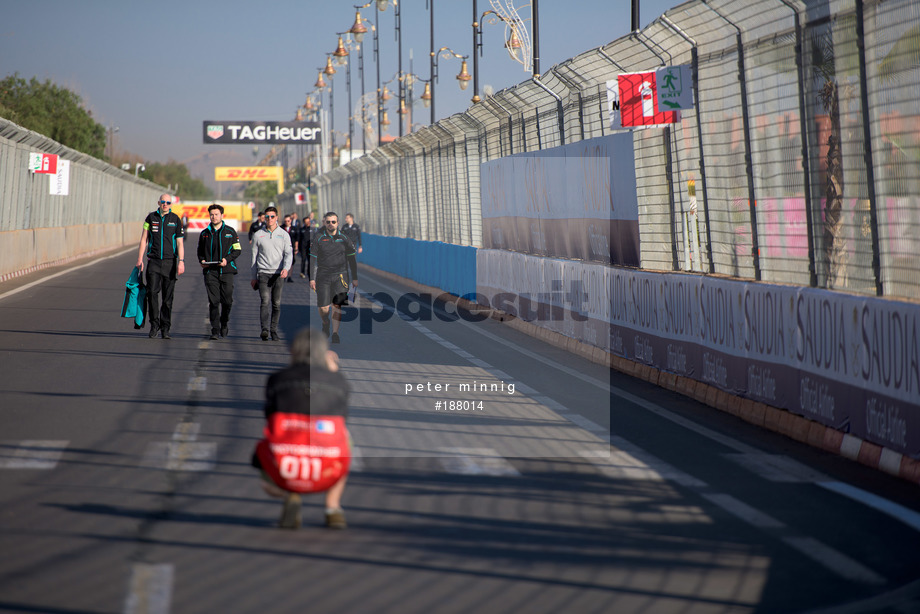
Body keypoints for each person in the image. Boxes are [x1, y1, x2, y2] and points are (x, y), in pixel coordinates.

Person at [252, 328, 351, 529]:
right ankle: (332, 508)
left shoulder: (277, 379)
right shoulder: (338, 382)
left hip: (285, 463)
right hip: (325, 468)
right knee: (344, 437)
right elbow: (342, 419)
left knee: (276, 440)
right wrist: (333, 371)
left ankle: (290, 493)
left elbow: (269, 417)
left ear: (293, 351)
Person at [136, 194, 185, 339]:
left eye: (168, 202)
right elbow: (144, 239)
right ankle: (154, 325)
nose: (165, 204)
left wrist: (181, 261)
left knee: (167, 298)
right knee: (152, 293)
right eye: (163, 202)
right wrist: (140, 258)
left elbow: (180, 243)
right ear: (159, 203)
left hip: (170, 263)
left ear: (171, 204)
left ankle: (165, 327)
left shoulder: (176, 219)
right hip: (154, 262)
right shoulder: (150, 218)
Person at [310, 212, 358, 344]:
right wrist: (311, 278)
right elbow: (312, 258)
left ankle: (335, 333)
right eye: (328, 222)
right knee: (324, 308)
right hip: (323, 275)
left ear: (337, 223)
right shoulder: (319, 238)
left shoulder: (344, 238)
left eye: (333, 222)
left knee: (337, 305)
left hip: (341, 275)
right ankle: (325, 323)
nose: (331, 224)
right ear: (324, 223)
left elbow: (352, 259)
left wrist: (354, 277)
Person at [197, 204, 242, 340]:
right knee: (214, 301)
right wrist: (202, 261)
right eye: (211, 214)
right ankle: (215, 329)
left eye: (216, 214)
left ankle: (224, 323)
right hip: (210, 272)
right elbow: (200, 252)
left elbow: (237, 250)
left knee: (227, 301)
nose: (214, 217)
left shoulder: (230, 231)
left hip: (227, 271)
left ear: (222, 215)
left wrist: (227, 260)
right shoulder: (204, 233)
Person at [251, 206, 293, 341]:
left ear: (277, 218)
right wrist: (253, 277)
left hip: (278, 274)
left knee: (276, 303)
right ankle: (264, 329)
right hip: (263, 273)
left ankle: (273, 330)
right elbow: (254, 258)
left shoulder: (284, 235)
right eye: (267, 217)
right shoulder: (258, 235)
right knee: (265, 300)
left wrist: (286, 268)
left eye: (272, 217)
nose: (269, 219)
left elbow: (288, 254)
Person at [281, 215, 298, 283]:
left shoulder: (294, 229)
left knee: (291, 262)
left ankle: (289, 276)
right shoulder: (281, 228)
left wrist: (296, 248)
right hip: (282, 247)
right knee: (283, 261)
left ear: (290, 221)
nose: (287, 222)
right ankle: (283, 275)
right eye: (285, 221)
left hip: (291, 247)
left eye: (288, 221)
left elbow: (297, 239)